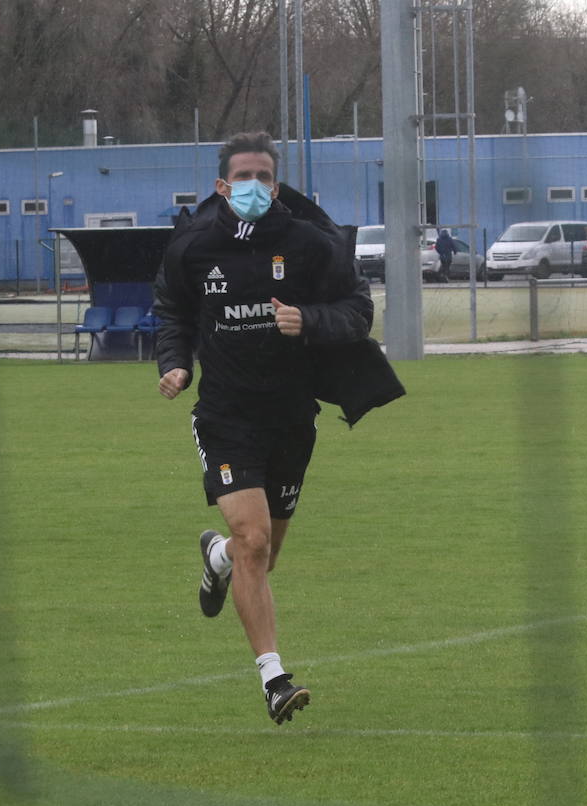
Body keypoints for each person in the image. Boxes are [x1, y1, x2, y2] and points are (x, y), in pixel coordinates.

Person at [153, 131, 404, 725]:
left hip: (292, 418)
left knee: (261, 556)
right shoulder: (192, 246)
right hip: (224, 418)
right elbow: (172, 311)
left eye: (264, 177)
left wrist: (308, 319)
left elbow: (357, 310)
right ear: (222, 186)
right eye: (243, 178)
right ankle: (274, 678)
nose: (255, 187)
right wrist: (174, 363)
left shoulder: (309, 244)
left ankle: (217, 560)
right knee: (256, 540)